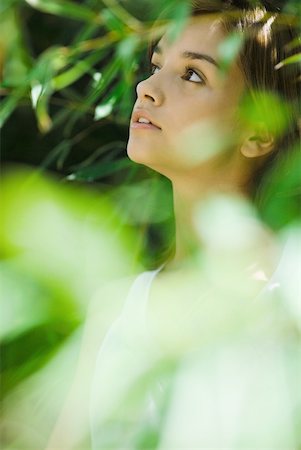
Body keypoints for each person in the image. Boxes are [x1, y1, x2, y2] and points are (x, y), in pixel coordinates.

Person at [90, 1, 301, 448]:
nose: (147, 88)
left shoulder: (289, 297)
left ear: (259, 129)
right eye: (157, 64)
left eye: (192, 75)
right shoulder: (115, 311)